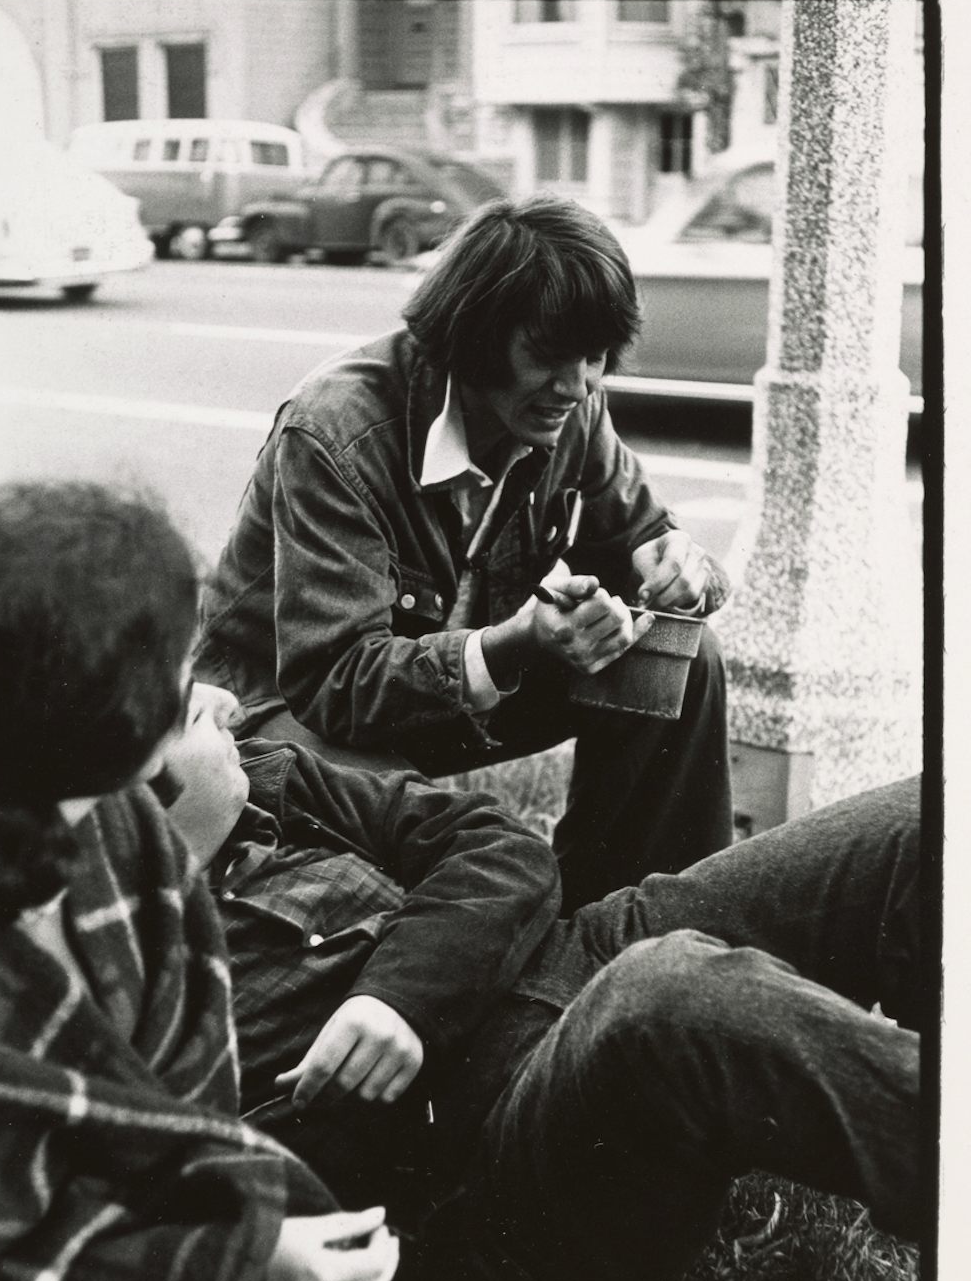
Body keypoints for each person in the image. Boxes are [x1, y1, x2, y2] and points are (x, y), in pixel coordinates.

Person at [164, 680, 922, 1281]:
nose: (228, 703)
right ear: (123, 790)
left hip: (574, 955)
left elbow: (494, 844)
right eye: (189, 712)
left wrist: (399, 997)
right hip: (499, 1167)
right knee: (668, 992)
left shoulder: (267, 776)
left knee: (923, 821)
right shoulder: (124, 984)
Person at [0, 482, 420, 1281]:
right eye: (181, 666)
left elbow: (194, 1134)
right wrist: (241, 1267)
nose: (210, 690)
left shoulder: (129, 836)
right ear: (112, 717)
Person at [195, 195, 733, 913]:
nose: (577, 387)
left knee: (687, 658)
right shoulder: (334, 431)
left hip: (457, 690)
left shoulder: (571, 405)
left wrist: (681, 570)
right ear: (475, 336)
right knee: (465, 863)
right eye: (547, 357)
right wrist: (515, 646)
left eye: (596, 357)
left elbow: (645, 535)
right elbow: (336, 684)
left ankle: (632, 921)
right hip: (293, 715)